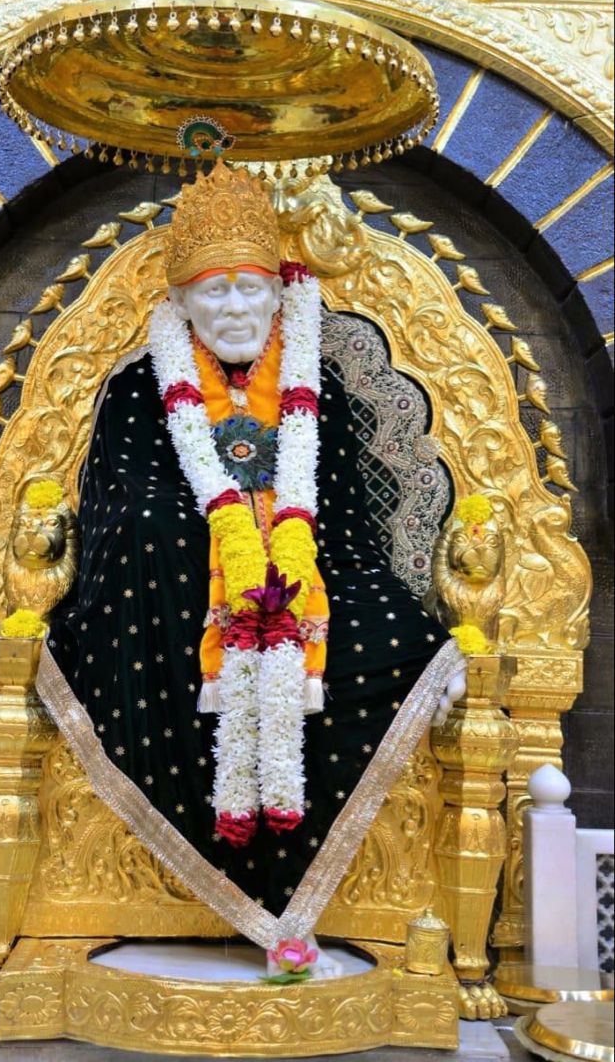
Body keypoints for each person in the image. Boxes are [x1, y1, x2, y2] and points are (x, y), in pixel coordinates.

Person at [38, 160, 466, 955]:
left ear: (280, 294)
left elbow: (344, 520)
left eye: (249, 288)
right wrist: (220, 535)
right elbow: (120, 503)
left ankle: (338, 895)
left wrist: (281, 548)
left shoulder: (319, 386)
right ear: (180, 300)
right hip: (171, 600)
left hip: (309, 572)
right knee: (156, 535)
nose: (233, 307)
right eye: (214, 289)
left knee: (404, 636)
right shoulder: (141, 387)